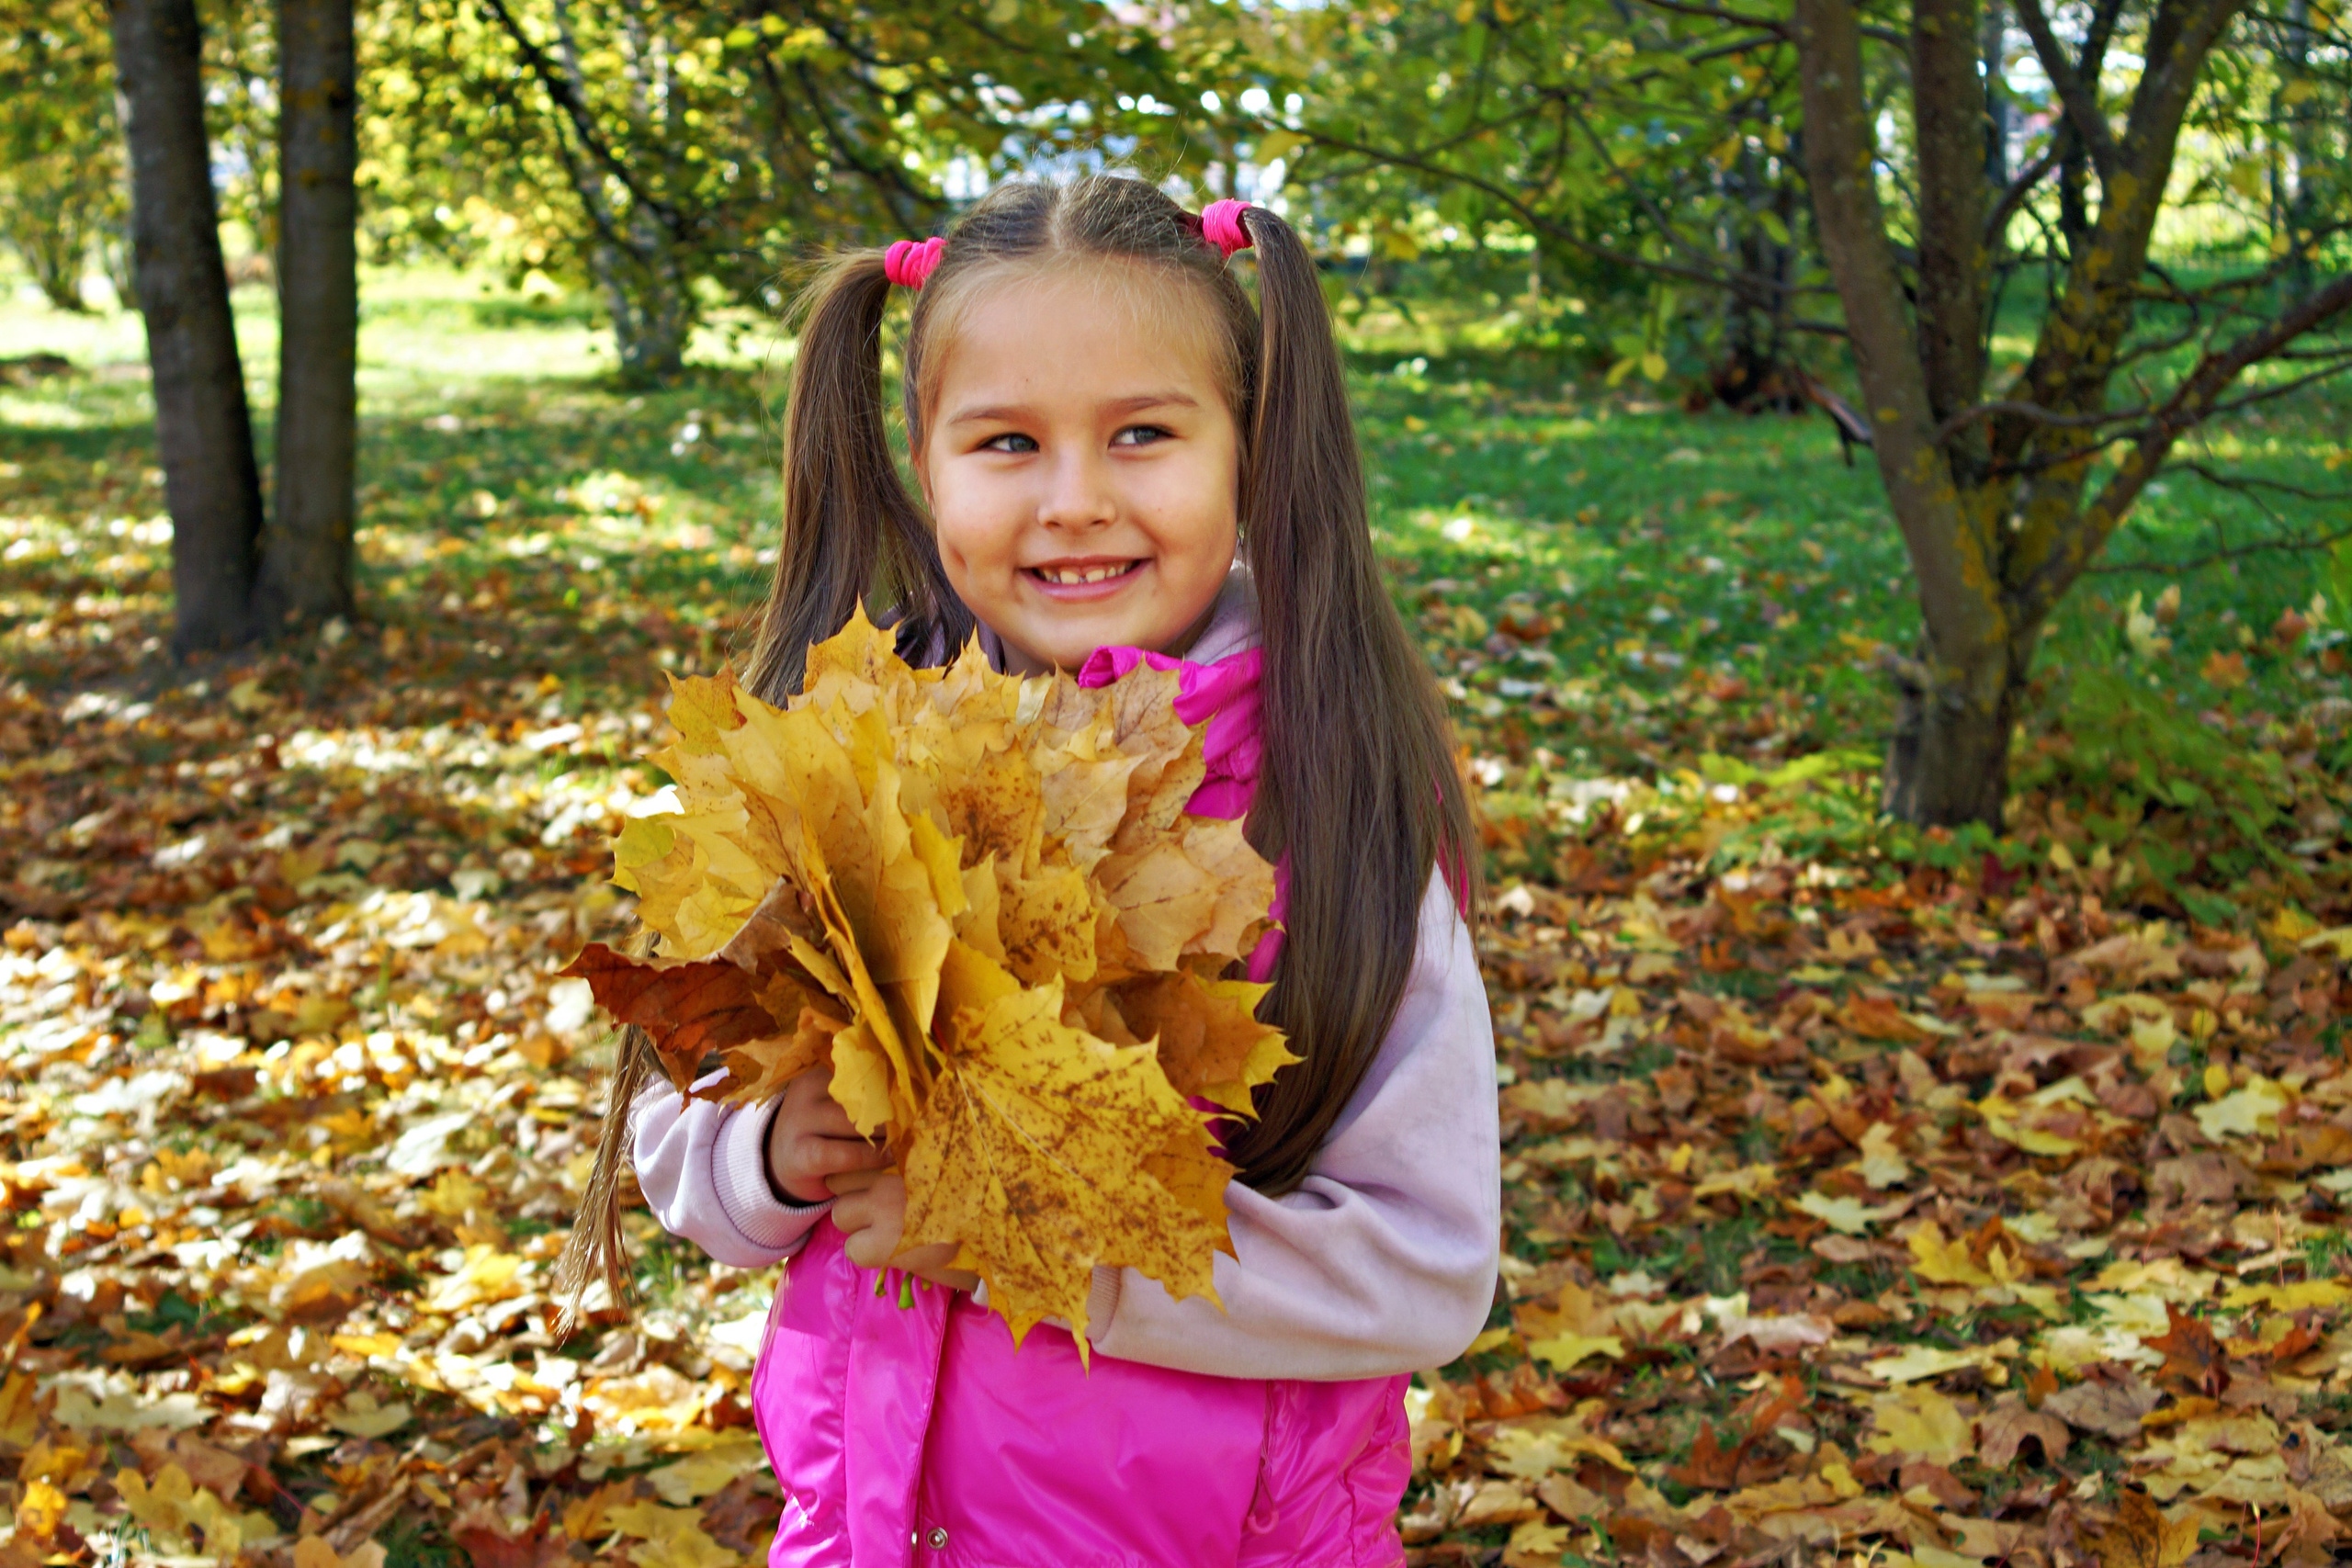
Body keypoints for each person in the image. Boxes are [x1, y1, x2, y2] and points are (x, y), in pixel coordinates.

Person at [558, 175, 1500, 1567]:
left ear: (1247, 451)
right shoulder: (838, 768)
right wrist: (766, 1154)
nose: (1075, 501)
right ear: (924, 464)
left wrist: (1062, 1246)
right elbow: (671, 1135)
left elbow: (1427, 1275)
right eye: (1006, 441)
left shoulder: (1328, 808)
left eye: (1142, 435)